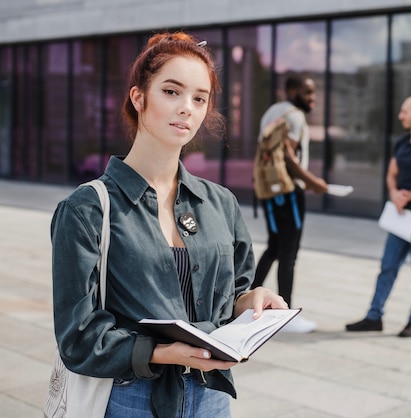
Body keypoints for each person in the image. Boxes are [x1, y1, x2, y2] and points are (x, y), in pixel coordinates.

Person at [50, 32, 287, 418]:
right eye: (172, 92)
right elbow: (77, 337)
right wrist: (163, 352)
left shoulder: (220, 203)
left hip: (212, 396)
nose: (187, 109)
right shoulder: (86, 208)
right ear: (139, 97)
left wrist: (253, 301)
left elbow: (233, 297)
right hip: (130, 398)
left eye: (199, 98)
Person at [346, 95, 411, 338]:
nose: (401, 116)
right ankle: (374, 317)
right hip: (401, 218)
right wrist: (394, 193)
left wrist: (408, 195)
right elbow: (392, 174)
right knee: (387, 268)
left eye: (405, 112)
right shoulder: (402, 142)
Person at [251, 75, 328, 333]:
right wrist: (313, 181)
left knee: (274, 247)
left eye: (314, 93)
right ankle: (286, 316)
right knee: (288, 252)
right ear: (292, 90)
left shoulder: (272, 112)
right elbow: (288, 157)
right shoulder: (295, 116)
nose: (312, 99)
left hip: (270, 192)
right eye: (308, 93)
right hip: (288, 192)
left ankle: (249, 301)